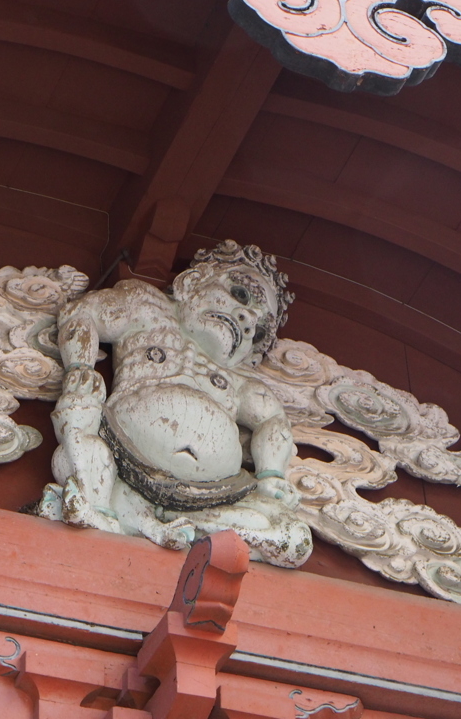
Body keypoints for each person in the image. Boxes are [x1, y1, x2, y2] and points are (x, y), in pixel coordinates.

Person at [36, 240, 312, 568]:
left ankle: (182, 530)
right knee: (80, 460)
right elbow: (82, 313)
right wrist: (80, 368)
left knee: (294, 539)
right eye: (241, 295)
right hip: (123, 462)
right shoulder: (147, 309)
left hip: (210, 499)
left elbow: (273, 420)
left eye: (259, 325)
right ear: (192, 282)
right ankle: (130, 517)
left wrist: (271, 476)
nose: (248, 319)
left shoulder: (238, 382)